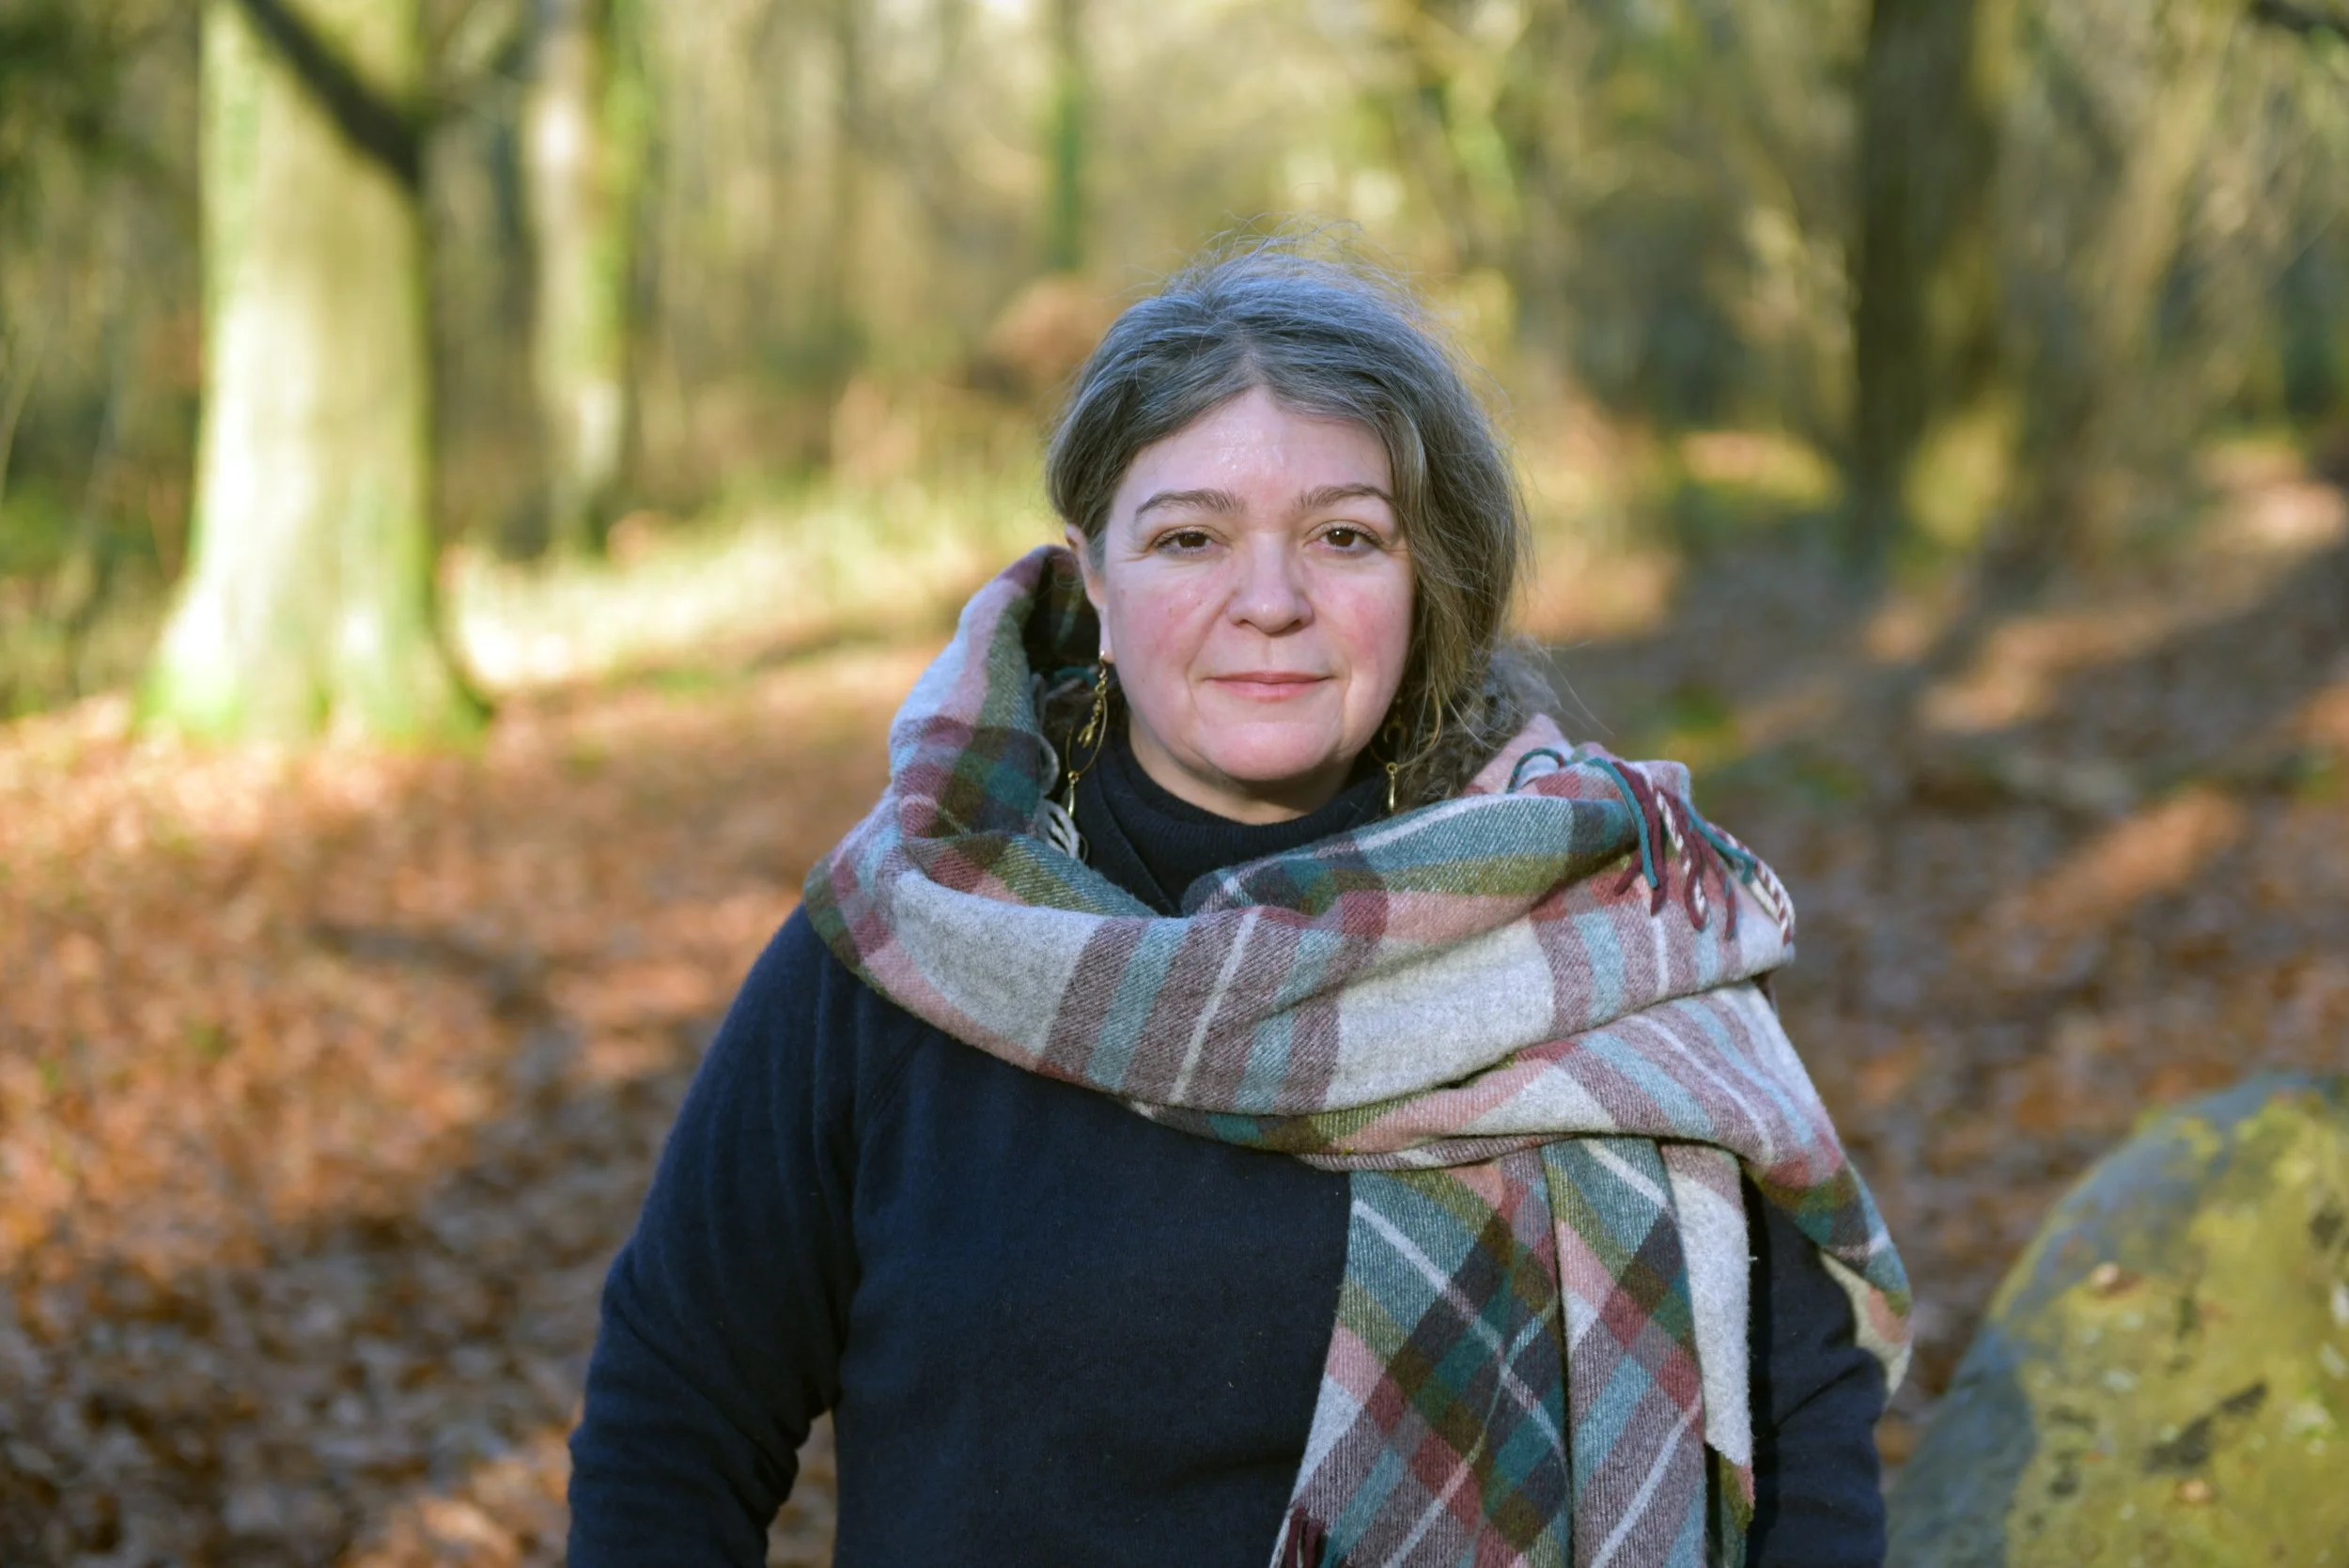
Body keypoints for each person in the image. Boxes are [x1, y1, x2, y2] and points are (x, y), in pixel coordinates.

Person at [567, 244, 1909, 1568]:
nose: (1270, 602)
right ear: (1096, 578)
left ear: (1425, 578)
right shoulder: (909, 941)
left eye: (1344, 536)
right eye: (1190, 538)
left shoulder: (1601, 928)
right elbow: (679, 1412)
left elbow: (1799, 1424)